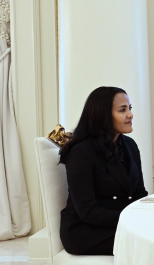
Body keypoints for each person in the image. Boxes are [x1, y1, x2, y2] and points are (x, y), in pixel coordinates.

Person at [59, 87, 148, 256]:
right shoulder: (82, 152)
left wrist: (149, 216)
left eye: (129, 109)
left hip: (120, 225)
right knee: (151, 245)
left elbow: (139, 194)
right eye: (122, 110)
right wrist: (132, 221)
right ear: (103, 115)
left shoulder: (130, 145)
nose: (130, 115)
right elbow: (87, 211)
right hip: (86, 232)